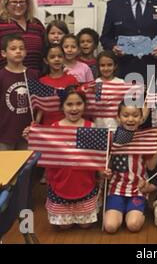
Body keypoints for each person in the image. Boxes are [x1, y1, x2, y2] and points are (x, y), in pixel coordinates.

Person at [25, 86, 100, 229]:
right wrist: (32, 136)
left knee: (86, 225)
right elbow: (41, 153)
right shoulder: (54, 128)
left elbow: (97, 156)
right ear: (62, 106)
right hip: (61, 181)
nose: (74, 108)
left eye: (78, 104)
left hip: (84, 182)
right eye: (69, 104)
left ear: (85, 105)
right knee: (64, 227)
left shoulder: (91, 127)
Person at [103, 101, 157, 234]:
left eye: (135, 115)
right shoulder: (112, 137)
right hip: (116, 188)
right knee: (110, 227)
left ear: (141, 118)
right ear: (118, 117)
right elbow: (107, 164)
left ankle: (133, 211)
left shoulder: (145, 137)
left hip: (137, 188)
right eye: (126, 115)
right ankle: (120, 211)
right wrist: (104, 172)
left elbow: (151, 165)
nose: (131, 119)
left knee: (133, 225)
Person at [0, 0, 45, 89]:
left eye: (22, 2)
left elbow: (46, 54)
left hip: (36, 84)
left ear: (27, 4)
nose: (18, 5)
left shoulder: (36, 24)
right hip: (7, 85)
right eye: (14, 2)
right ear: (6, 4)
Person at [0, 34, 39, 150]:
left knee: (26, 166)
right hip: (6, 134)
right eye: (13, 48)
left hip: (28, 133)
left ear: (26, 52)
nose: (18, 51)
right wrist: (4, 118)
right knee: (5, 166)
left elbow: (37, 103)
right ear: (3, 53)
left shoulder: (33, 75)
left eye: (21, 48)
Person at [35, 45, 78, 127]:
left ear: (64, 58)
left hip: (69, 125)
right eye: (52, 57)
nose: (57, 59)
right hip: (48, 126)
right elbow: (40, 109)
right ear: (46, 60)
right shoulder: (42, 81)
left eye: (60, 56)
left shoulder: (72, 80)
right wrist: (36, 124)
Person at [93, 50, 125, 129]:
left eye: (109, 65)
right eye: (102, 65)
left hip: (117, 125)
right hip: (99, 125)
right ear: (98, 67)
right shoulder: (95, 83)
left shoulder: (121, 83)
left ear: (115, 66)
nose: (106, 68)